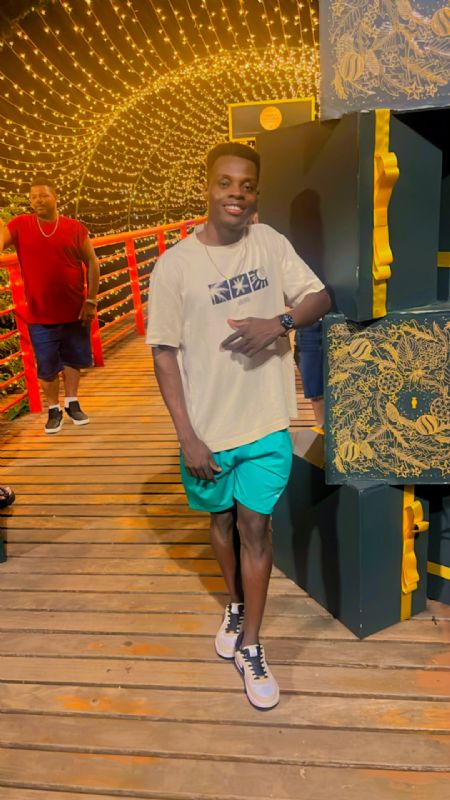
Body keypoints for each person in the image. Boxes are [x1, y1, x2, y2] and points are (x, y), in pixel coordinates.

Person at [146, 141, 331, 710]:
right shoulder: (174, 265)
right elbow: (163, 353)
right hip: (207, 431)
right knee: (220, 522)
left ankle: (251, 642)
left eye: (247, 186)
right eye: (226, 183)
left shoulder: (269, 242)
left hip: (266, 421)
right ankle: (234, 603)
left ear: (256, 193)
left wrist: (279, 322)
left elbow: (319, 297)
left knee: (256, 528)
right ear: (208, 188)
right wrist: (188, 437)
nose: (237, 194)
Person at [0, 177, 100, 433]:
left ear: (56, 198)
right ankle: (53, 409)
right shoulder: (20, 225)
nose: (38, 201)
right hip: (40, 311)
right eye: (34, 197)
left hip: (75, 308)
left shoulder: (74, 227)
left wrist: (90, 300)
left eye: (43, 195)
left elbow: (92, 262)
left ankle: (72, 402)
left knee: (73, 359)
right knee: (46, 366)